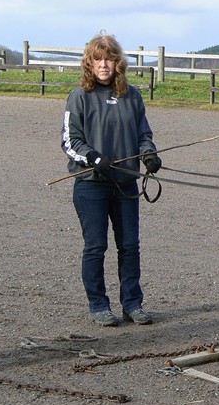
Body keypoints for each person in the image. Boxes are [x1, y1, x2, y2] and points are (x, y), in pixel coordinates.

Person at [61, 33, 162, 327]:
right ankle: (98, 305)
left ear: (117, 63)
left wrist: (149, 155)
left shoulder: (131, 96)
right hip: (91, 183)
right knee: (96, 247)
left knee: (130, 245)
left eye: (108, 59)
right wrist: (93, 157)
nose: (103, 64)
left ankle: (132, 302)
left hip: (126, 182)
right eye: (97, 59)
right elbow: (70, 141)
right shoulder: (79, 97)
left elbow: (143, 133)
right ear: (89, 64)